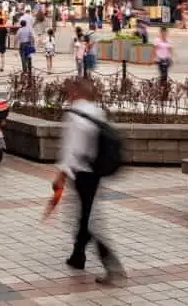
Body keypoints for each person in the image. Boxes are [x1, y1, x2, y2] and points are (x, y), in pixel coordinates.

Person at [53, 76, 126, 282]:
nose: (67, 95)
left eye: (69, 92)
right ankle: (78, 255)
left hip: (82, 173)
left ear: (76, 93)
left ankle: (112, 266)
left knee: (87, 220)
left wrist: (61, 174)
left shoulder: (74, 115)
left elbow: (72, 148)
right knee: (85, 216)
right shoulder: (97, 111)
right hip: (95, 172)